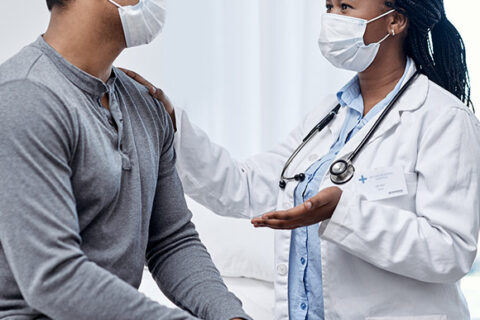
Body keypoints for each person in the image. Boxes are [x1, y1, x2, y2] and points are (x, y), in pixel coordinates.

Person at [124, 0, 480, 319]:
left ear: (395, 21)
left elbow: (450, 251)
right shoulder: (330, 114)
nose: (332, 19)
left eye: (346, 7)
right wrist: (170, 122)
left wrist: (343, 212)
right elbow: (246, 187)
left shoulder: (442, 117)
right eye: (329, 7)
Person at [0, 1, 251, 320]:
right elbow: (54, 278)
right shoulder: (25, 96)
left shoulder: (146, 105)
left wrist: (231, 316)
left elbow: (171, 241)